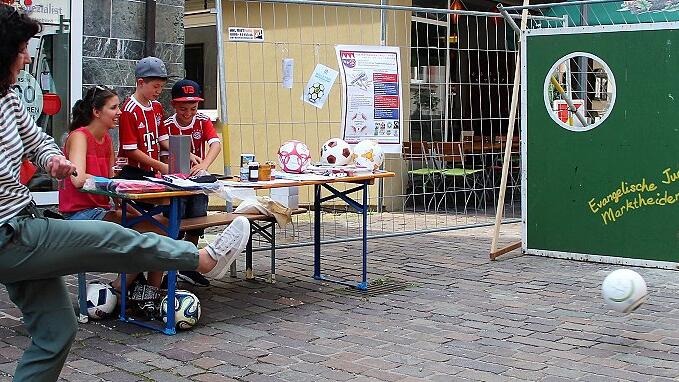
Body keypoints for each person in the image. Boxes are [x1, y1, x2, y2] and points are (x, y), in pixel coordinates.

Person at [0, 5, 250, 381]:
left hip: (26, 219)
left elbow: (38, 141)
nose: (27, 56)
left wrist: (53, 161)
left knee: (56, 333)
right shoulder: (87, 132)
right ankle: (201, 259)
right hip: (10, 233)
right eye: (21, 49)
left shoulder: (10, 97)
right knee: (115, 235)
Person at [57, 85, 169, 313]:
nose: (119, 112)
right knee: (147, 233)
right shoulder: (79, 136)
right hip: (80, 215)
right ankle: (121, 286)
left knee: (163, 227)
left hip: (102, 209)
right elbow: (78, 179)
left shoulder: (107, 139)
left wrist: (126, 200)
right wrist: (114, 184)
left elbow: (110, 183)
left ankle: (149, 292)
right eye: (114, 107)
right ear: (97, 112)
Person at [117, 56, 171, 289]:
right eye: (155, 86)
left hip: (152, 175)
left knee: (162, 226)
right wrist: (162, 166)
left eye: (161, 86)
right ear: (141, 82)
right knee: (147, 232)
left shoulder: (157, 107)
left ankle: (153, 287)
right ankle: (126, 284)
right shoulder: (129, 109)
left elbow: (162, 139)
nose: (159, 91)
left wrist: (186, 154)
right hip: (132, 174)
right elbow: (131, 151)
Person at [163, 79, 222, 287]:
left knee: (197, 222)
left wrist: (204, 163)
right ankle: (169, 265)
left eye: (193, 108)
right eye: (183, 108)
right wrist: (186, 155)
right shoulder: (169, 125)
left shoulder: (203, 120)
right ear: (174, 105)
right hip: (176, 184)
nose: (188, 113)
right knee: (175, 223)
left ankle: (187, 264)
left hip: (198, 184)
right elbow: (164, 145)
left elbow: (215, 144)